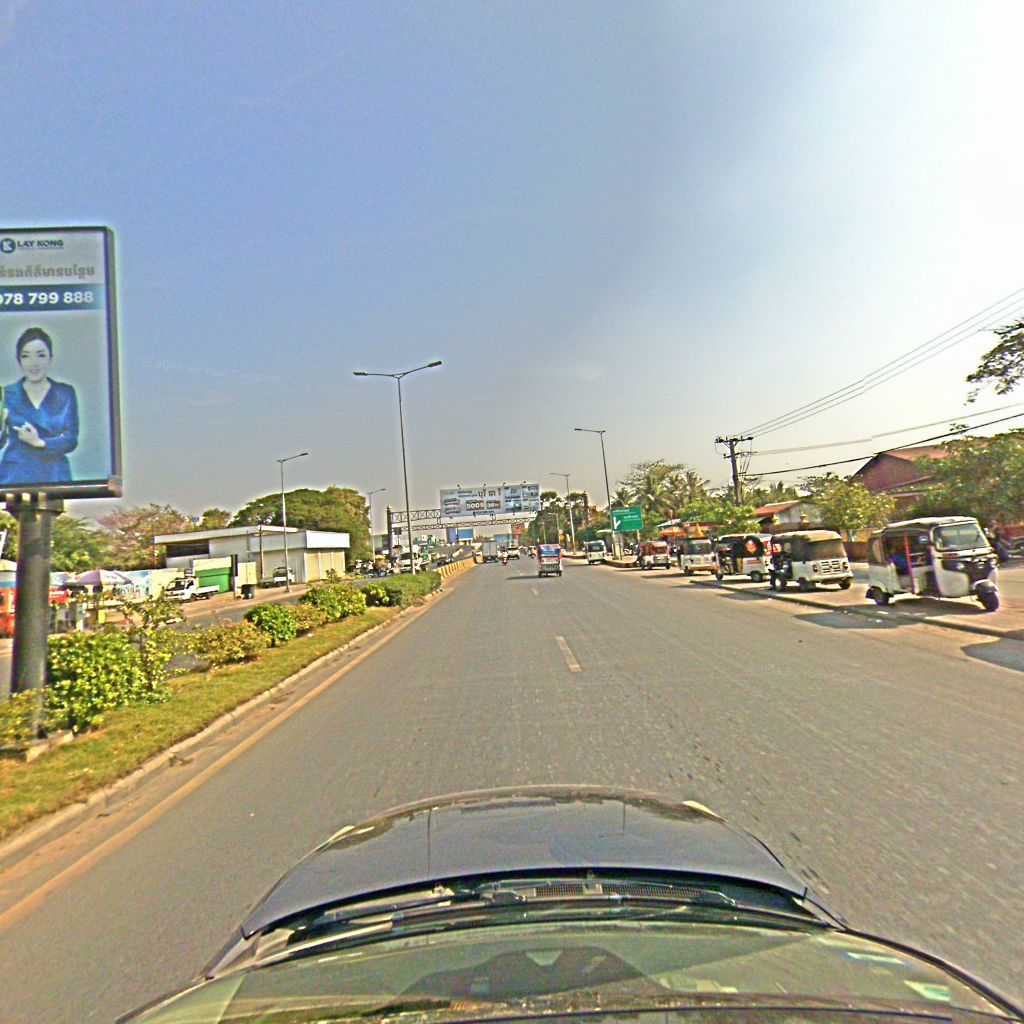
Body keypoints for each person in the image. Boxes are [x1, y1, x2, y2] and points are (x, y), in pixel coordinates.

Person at [0, 327, 79, 485]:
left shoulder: (65, 392)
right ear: (19, 360)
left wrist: (39, 442)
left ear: (50, 358)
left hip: (54, 475)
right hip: (15, 476)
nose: (33, 363)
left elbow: (71, 439)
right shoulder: (6, 394)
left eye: (40, 355)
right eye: (26, 356)